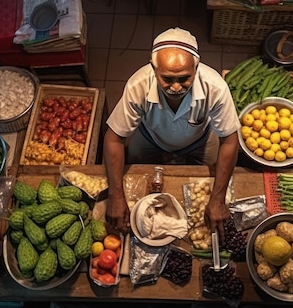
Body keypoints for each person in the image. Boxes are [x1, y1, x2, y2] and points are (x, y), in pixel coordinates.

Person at [103, 27, 241, 239]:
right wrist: (115, 195)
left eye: (184, 78)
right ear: (153, 68)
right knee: (135, 171)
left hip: (199, 140)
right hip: (151, 137)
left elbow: (230, 140)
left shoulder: (215, 88)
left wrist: (218, 199)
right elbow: (114, 138)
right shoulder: (138, 85)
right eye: (167, 79)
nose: (176, 87)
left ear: (196, 68)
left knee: (214, 174)